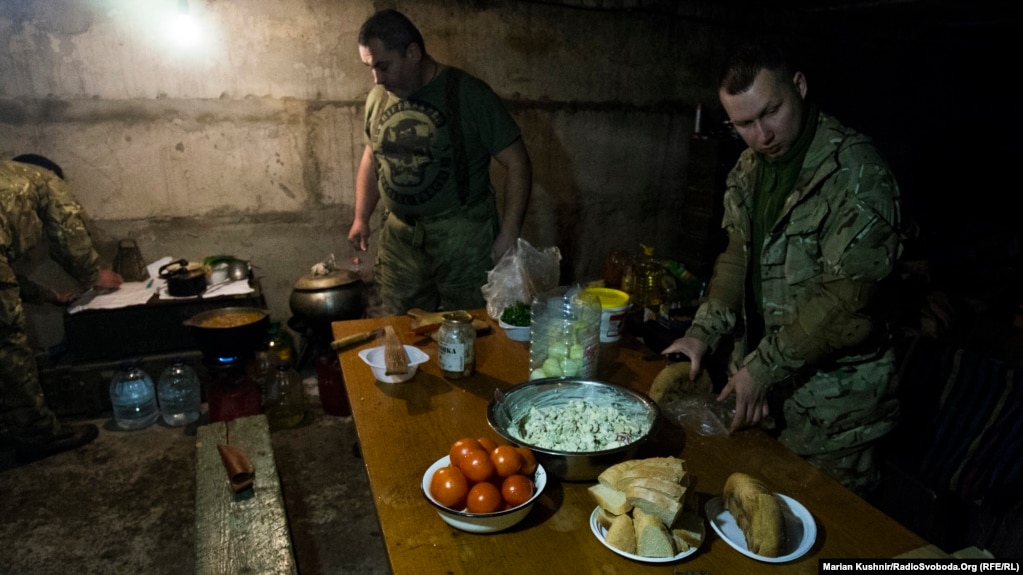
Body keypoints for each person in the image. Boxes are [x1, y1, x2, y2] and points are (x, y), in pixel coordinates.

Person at [661, 43, 902, 496]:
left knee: (825, 551)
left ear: (800, 87)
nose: (762, 135)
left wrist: (762, 369)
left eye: (771, 112)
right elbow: (737, 256)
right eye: (744, 124)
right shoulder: (750, 169)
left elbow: (846, 300)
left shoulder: (856, 173)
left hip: (834, 420)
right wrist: (702, 331)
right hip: (763, 403)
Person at [347, 9, 532, 316]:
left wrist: (509, 233)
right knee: (400, 331)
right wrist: (360, 217)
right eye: (370, 68)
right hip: (400, 239)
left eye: (383, 66)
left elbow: (518, 163)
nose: (377, 79)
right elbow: (372, 156)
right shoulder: (378, 99)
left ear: (413, 53)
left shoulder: (468, 94)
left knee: (469, 328)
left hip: (462, 238)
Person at [1, 154, 124, 463]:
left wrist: (46, 295)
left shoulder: (8, 178)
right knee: (8, 345)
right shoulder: (45, 180)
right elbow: (67, 228)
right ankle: (38, 434)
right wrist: (94, 274)